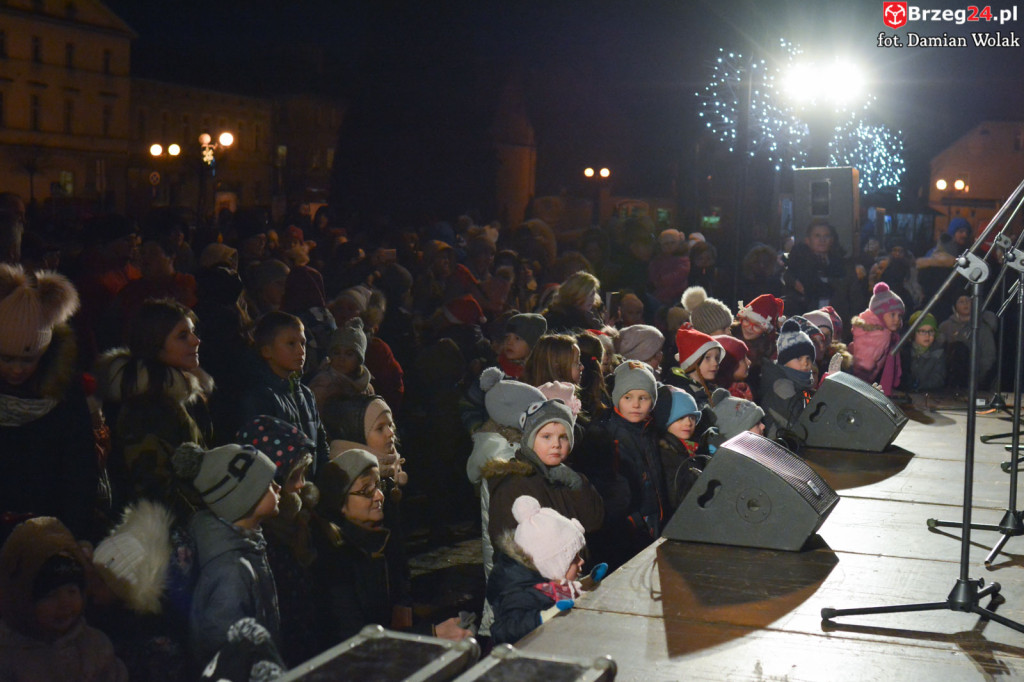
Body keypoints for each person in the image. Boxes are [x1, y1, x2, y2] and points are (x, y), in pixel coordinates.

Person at [311, 448, 471, 644]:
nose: (378, 496)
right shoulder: (336, 561)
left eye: (378, 486)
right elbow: (356, 640)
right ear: (340, 503)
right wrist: (432, 634)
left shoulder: (375, 541)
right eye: (366, 491)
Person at [0, 264, 99, 545]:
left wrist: (74, 536)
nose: (16, 370)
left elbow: (79, 472)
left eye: (27, 360)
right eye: (6, 359)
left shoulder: (64, 395)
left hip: (47, 532)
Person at [172, 442, 282, 665]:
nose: (278, 487)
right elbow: (226, 657)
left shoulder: (245, 545)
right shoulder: (230, 571)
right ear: (243, 498)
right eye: (268, 484)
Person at [465, 368, 547, 638]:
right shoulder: (503, 457)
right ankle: (492, 634)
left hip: (506, 552)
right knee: (501, 597)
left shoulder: (502, 447)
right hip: (507, 553)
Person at [235, 415, 321, 667]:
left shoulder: (295, 521)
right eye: (294, 476)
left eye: (303, 474)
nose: (302, 485)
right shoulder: (266, 540)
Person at [0, 517, 129, 681]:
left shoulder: (94, 647)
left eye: (72, 591)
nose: (64, 604)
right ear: (22, 599)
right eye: (50, 595)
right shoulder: (7, 652)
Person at [577, 361, 666, 570]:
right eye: (628, 398)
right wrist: (633, 520)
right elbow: (611, 490)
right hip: (629, 529)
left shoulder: (648, 431)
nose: (635, 405)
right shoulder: (608, 435)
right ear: (618, 398)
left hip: (652, 520)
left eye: (643, 398)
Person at [240, 310, 330, 476]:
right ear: (267, 351)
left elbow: (320, 443)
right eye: (291, 343)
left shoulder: (306, 394)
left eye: (302, 343)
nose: (301, 350)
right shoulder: (261, 396)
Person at [488, 495, 587, 645]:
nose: (582, 561)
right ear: (554, 567)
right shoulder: (520, 594)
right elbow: (503, 630)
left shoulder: (550, 583)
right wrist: (542, 617)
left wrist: (589, 582)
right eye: (574, 558)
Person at [760, 319, 817, 441]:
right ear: (784, 361)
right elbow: (798, 424)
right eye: (798, 358)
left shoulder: (800, 385)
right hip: (779, 450)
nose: (805, 363)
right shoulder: (781, 386)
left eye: (809, 358)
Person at [653, 385, 706, 509]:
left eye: (692, 417)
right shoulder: (666, 453)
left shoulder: (693, 449)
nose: (688, 423)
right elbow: (677, 497)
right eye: (680, 418)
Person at [309, 317, 375, 410]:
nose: (341, 359)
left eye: (349, 354)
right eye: (336, 353)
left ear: (358, 359)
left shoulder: (366, 387)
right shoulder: (322, 385)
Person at [850, 282, 904, 396]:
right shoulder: (881, 334)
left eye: (899, 316)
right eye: (892, 314)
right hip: (861, 385)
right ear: (880, 314)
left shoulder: (870, 327)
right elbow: (865, 365)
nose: (897, 319)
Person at [666, 325, 724, 408]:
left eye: (717, 358)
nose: (715, 363)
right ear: (692, 361)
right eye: (707, 358)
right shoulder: (681, 395)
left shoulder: (712, 389)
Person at [900, 311, 946, 393]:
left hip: (929, 396)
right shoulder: (904, 353)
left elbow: (938, 379)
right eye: (922, 331)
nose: (927, 335)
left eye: (931, 331)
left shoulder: (938, 353)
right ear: (913, 333)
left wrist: (918, 386)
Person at [498, 312, 547, 379]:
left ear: (533, 345)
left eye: (517, 338)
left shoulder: (538, 374)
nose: (509, 342)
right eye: (507, 337)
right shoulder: (495, 370)